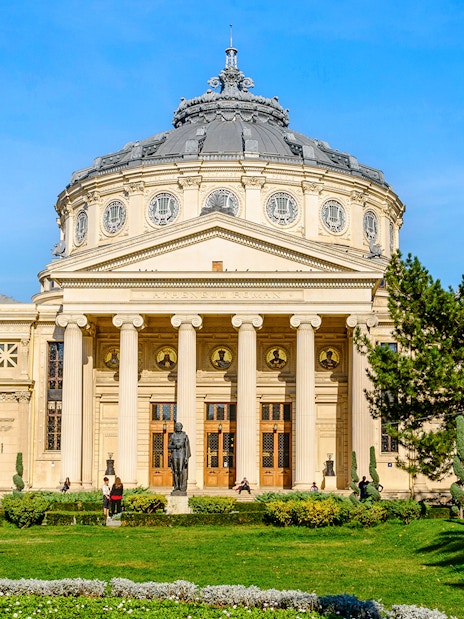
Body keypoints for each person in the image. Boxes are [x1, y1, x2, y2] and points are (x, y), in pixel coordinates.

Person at [168, 422, 191, 495]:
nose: (178, 427)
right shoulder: (173, 436)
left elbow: (187, 447)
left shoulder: (185, 436)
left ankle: (181, 487)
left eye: (179, 426)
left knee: (181, 471)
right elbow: (168, 446)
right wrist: (175, 446)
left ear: (181, 427)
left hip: (182, 454)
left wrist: (186, 457)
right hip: (175, 454)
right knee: (175, 471)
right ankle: (176, 486)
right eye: (177, 426)